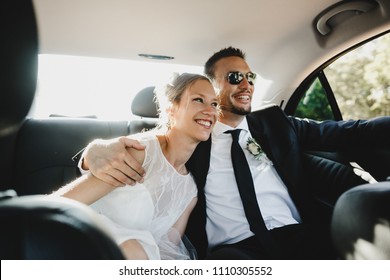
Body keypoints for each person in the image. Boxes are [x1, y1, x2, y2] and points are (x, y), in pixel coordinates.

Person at [75, 47, 390, 259]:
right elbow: (141, 147)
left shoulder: (276, 124)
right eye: (234, 77)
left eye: (250, 77)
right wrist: (92, 150)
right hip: (233, 252)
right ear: (211, 88)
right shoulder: (191, 135)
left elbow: (352, 131)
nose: (246, 85)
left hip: (301, 236)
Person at [52, 73, 219, 260]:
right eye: (198, 100)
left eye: (214, 104)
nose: (210, 111)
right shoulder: (139, 152)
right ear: (171, 108)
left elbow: (166, 250)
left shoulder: (190, 192)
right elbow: (61, 203)